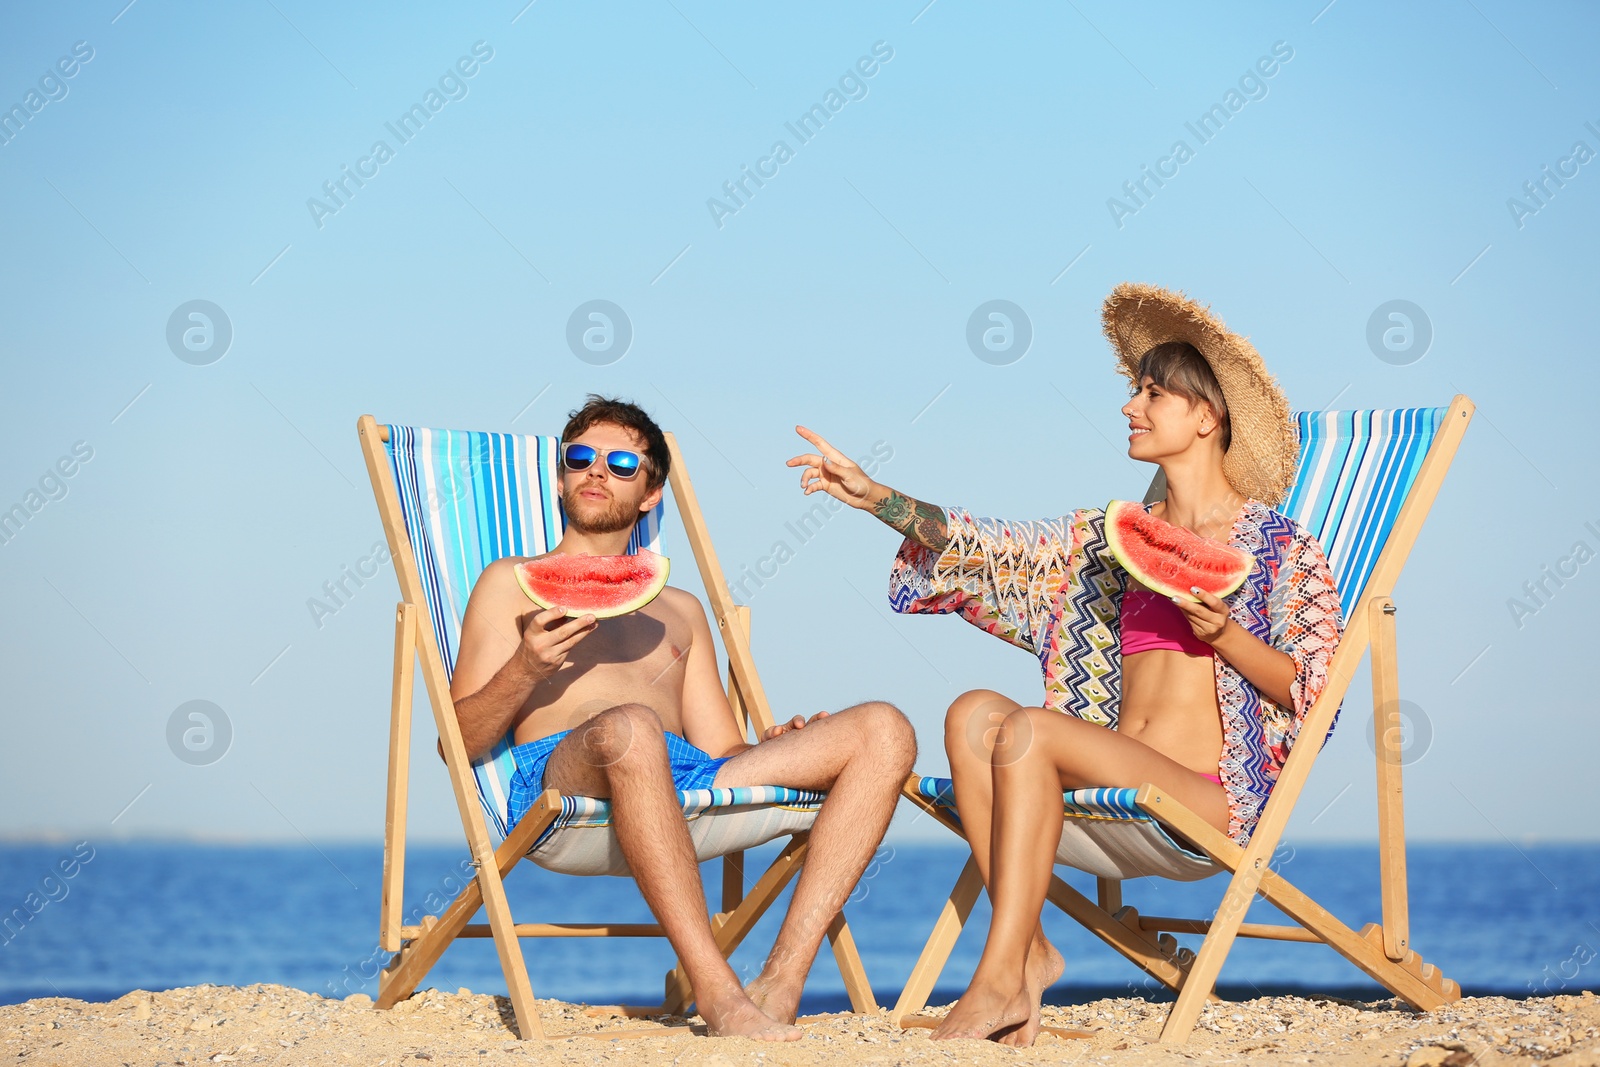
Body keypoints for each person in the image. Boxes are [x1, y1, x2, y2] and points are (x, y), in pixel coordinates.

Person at [786, 283, 1345, 1046]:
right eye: (1135, 391)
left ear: (1207, 415)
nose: (1130, 406)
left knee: (1029, 734)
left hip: (1206, 803)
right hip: (1108, 776)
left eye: (1153, 393)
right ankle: (1034, 952)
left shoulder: (1280, 551)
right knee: (972, 713)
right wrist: (877, 497)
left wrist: (1226, 635)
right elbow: (992, 547)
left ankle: (996, 978)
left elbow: (1318, 690)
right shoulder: (1107, 542)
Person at [450, 395, 917, 1042]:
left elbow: (722, 748)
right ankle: (718, 992)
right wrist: (524, 669)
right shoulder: (508, 583)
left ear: (650, 493)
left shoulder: (681, 609)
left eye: (620, 463)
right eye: (580, 458)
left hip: (690, 777)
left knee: (885, 728)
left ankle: (780, 983)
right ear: (560, 475)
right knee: (633, 724)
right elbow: (460, 741)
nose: (596, 472)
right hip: (564, 777)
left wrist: (773, 743)